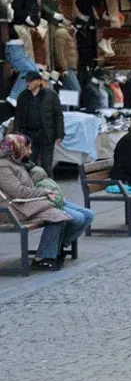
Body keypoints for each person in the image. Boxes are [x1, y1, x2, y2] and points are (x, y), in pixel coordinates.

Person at [0, 135, 71, 271]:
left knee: (60, 214)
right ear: (17, 148)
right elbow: (19, 191)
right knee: (57, 216)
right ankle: (43, 258)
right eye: (27, 148)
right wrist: (43, 192)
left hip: (19, 204)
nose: (30, 152)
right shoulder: (3, 165)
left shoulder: (13, 160)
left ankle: (49, 253)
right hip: (11, 208)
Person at [11, 71, 63, 177]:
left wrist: (59, 134)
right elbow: (18, 117)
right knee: (30, 164)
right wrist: (16, 135)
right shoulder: (23, 96)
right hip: (29, 135)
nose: (27, 83)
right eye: (26, 81)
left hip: (46, 134)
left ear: (39, 81)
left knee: (46, 165)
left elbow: (58, 116)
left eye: (30, 81)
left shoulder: (51, 95)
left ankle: (50, 189)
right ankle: (34, 188)